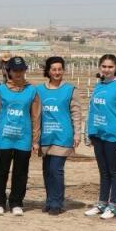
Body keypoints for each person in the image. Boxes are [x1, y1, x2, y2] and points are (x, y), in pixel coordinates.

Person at [84, 53, 116, 220]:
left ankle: (113, 205)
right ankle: (102, 203)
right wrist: (88, 133)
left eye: (110, 67)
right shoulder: (98, 86)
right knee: (103, 171)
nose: (107, 70)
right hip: (98, 134)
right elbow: (91, 110)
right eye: (104, 66)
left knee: (114, 171)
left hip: (113, 136)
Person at [0, 56, 40, 215]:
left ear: (25, 70)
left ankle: (16, 202)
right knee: (0, 171)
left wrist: (35, 140)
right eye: (15, 70)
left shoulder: (32, 91)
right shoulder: (0, 90)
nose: (18, 73)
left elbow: (36, 116)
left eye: (21, 70)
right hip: (4, 138)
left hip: (23, 139)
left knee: (21, 172)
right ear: (9, 71)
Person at [38, 56, 80, 215]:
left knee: (56, 169)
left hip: (62, 136)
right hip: (45, 136)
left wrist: (77, 134)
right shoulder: (39, 90)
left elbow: (76, 113)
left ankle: (57, 203)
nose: (57, 72)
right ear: (48, 71)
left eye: (60, 69)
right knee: (47, 170)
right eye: (54, 69)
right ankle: (49, 200)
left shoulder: (70, 90)